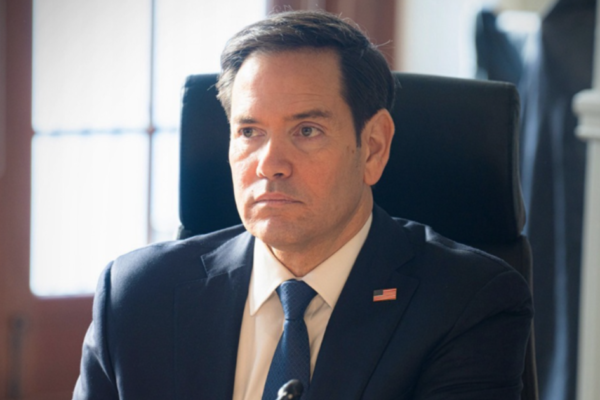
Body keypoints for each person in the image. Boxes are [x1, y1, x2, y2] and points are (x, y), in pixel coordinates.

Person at [73, 10, 533, 400]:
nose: (270, 164)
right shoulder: (138, 296)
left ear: (373, 147)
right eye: (249, 132)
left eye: (306, 131)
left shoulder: (466, 304)